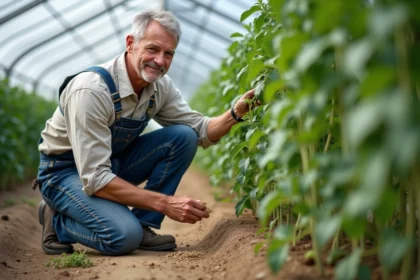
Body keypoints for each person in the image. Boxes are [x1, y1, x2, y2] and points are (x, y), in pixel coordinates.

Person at [33, 10, 257, 256]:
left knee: (183, 137)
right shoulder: (91, 90)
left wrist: (235, 114)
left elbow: (201, 130)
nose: (160, 61)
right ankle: (55, 218)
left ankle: (143, 224)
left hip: (108, 165)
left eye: (168, 53)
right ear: (131, 44)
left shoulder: (159, 87)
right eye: (152, 49)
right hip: (64, 173)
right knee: (123, 237)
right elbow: (95, 177)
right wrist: (166, 203)